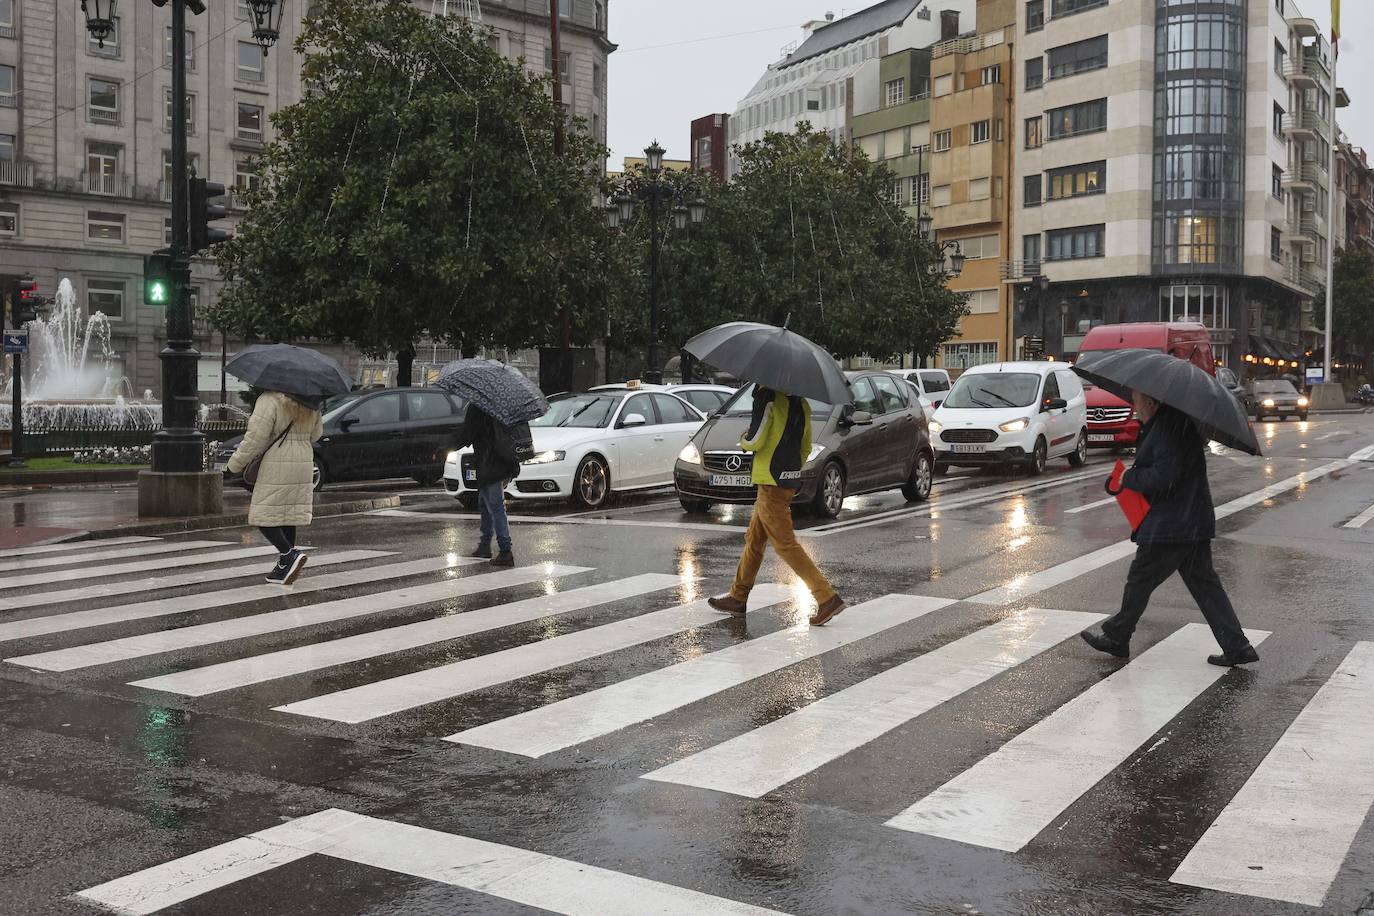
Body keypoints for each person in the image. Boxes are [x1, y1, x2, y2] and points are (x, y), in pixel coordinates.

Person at [1081, 390, 1259, 667]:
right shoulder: (1171, 424)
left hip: (1173, 523)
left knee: (1141, 577)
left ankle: (1118, 635)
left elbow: (1163, 477)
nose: (1134, 406)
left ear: (1150, 402)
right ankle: (1237, 645)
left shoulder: (1166, 428)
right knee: (1205, 585)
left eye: (1136, 400)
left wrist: (1130, 476)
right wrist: (1125, 478)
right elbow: (1163, 468)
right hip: (1189, 520)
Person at [708, 386, 846, 626]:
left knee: (785, 545)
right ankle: (738, 597)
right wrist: (789, 467)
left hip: (769, 479)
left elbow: (755, 439)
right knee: (755, 538)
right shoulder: (799, 401)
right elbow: (805, 446)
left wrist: (744, 438)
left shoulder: (767, 396)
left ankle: (826, 597)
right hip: (786, 479)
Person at [226, 389, 324, 585]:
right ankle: (284, 566)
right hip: (304, 461)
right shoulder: (310, 401)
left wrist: (233, 466)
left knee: (262, 515)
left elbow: (255, 439)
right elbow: (316, 434)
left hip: (278, 461)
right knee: (288, 514)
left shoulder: (269, 400)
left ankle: (288, 554)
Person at [454, 402, 518, 567]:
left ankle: (505, 551)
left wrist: (447, 444)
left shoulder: (478, 406)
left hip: (489, 462)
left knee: (495, 507)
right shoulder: (501, 405)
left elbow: (467, 434)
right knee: (484, 503)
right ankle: (484, 545)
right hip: (499, 461)